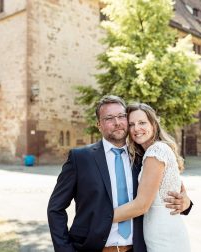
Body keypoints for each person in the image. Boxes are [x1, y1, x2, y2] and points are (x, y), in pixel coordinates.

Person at [47, 95, 192, 252]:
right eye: (109, 118)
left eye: (121, 116)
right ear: (99, 125)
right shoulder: (80, 158)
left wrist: (186, 203)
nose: (117, 123)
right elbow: (55, 208)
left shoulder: (144, 157)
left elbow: (172, 190)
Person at [112, 103, 191, 251]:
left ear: (153, 124)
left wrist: (99, 218)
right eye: (131, 124)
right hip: (158, 231)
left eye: (142, 122)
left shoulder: (156, 151)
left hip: (163, 235)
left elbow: (142, 205)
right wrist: (185, 200)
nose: (136, 128)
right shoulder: (146, 153)